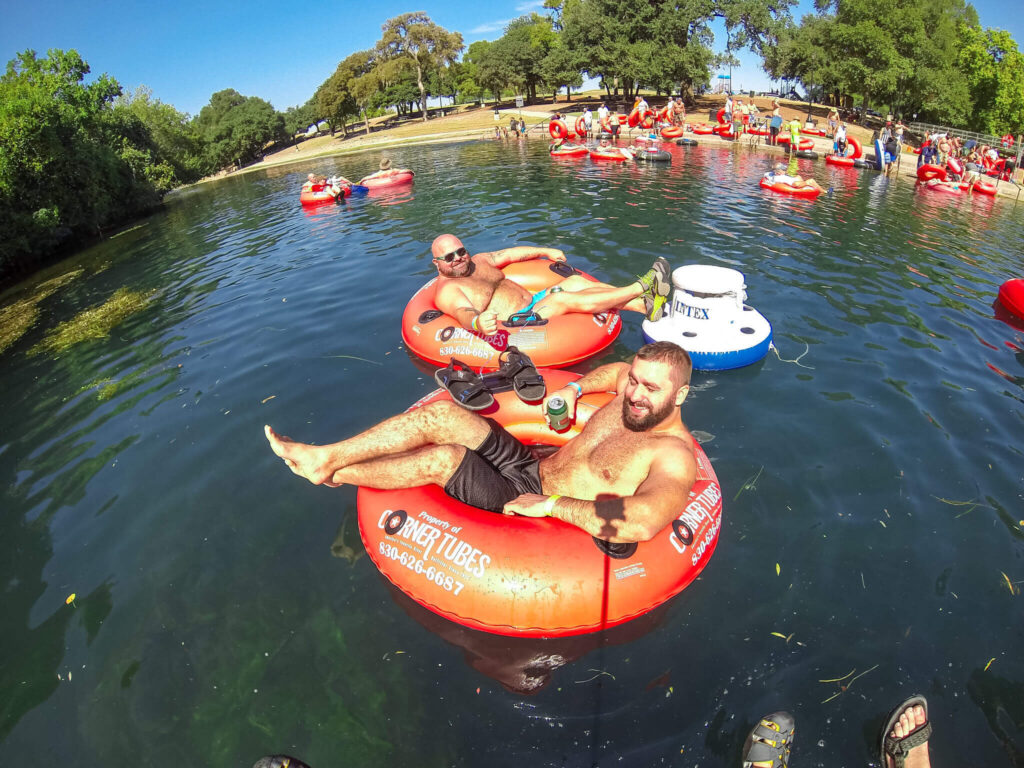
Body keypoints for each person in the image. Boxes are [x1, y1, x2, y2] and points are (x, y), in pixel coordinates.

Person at [265, 342, 698, 543]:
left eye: (651, 389)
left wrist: (548, 506)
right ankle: (325, 457)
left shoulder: (674, 455)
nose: (636, 394)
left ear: (679, 396)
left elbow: (642, 522)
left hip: (536, 502)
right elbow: (619, 370)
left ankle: (332, 472)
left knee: (444, 459)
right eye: (636, 383)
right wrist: (576, 389)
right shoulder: (632, 389)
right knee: (442, 414)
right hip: (530, 464)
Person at [427, 233, 662, 335]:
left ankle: (645, 306)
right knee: (561, 299)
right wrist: (477, 322)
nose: (457, 258)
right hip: (516, 323)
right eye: (449, 257)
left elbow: (510, 254)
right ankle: (638, 287)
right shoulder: (448, 289)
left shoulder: (479, 262)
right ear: (437, 263)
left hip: (535, 301)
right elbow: (462, 311)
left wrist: (545, 251)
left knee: (576, 281)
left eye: (460, 251)